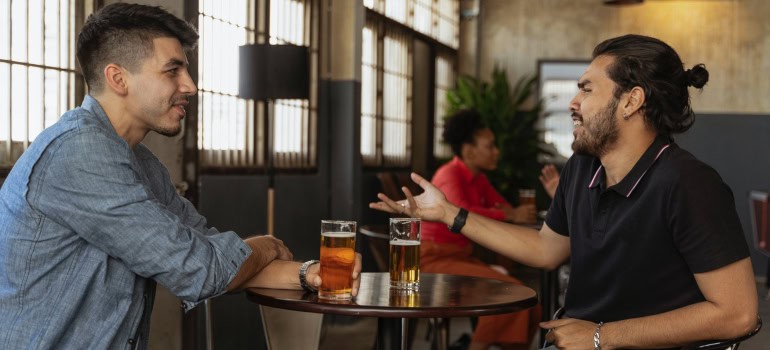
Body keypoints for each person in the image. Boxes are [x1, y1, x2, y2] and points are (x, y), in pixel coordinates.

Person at [0, 3, 360, 349]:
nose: (190, 85)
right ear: (118, 78)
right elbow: (200, 268)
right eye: (172, 70)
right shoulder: (79, 154)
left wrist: (309, 272)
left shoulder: (141, 163)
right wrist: (266, 243)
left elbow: (214, 257)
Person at [372, 34, 758, 350]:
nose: (573, 103)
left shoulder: (689, 184)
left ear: (631, 101)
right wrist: (449, 213)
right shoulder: (582, 168)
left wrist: (599, 336)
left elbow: (737, 313)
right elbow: (546, 249)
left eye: (587, 90)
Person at [421, 109, 539, 350]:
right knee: (509, 292)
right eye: (491, 146)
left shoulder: (479, 178)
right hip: (433, 261)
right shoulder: (450, 174)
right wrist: (508, 214)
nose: (497, 151)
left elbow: (503, 208)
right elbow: (459, 212)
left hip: (462, 258)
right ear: (469, 151)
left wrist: (509, 212)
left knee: (531, 302)